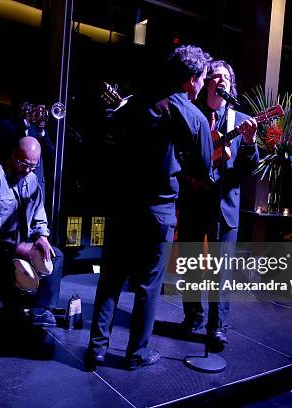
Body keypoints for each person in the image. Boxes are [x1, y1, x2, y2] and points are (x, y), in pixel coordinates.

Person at [86, 45, 213, 370]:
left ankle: (96, 349)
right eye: (201, 80)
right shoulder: (195, 117)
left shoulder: (135, 104)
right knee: (148, 286)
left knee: (111, 279)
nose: (201, 86)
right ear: (190, 79)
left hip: (124, 205)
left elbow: (107, 140)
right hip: (160, 212)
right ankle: (136, 354)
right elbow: (203, 169)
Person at [178, 60, 259, 345]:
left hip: (225, 206)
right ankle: (193, 316)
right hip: (193, 200)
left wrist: (249, 143)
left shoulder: (240, 121)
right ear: (207, 83)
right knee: (190, 262)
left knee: (221, 270)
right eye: (214, 76)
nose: (220, 81)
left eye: (226, 77)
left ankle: (217, 326)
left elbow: (250, 169)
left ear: (230, 85)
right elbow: (179, 156)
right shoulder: (192, 114)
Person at [0, 136, 63, 326]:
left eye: (33, 166)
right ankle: (14, 310)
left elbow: (39, 213)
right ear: (13, 156)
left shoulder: (31, 178)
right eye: (24, 164)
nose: (28, 170)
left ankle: (41, 310)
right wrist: (19, 247)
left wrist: (42, 237)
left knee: (56, 255)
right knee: (4, 260)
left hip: (21, 242)